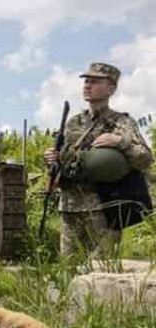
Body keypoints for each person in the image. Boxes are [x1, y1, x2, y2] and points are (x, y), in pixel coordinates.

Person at [44, 62, 153, 257]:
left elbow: (145, 158)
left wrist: (120, 141)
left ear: (111, 88)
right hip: (70, 209)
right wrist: (53, 158)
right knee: (67, 271)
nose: (87, 85)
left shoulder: (121, 122)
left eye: (94, 81)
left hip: (102, 210)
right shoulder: (73, 122)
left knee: (100, 272)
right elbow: (65, 162)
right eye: (86, 81)